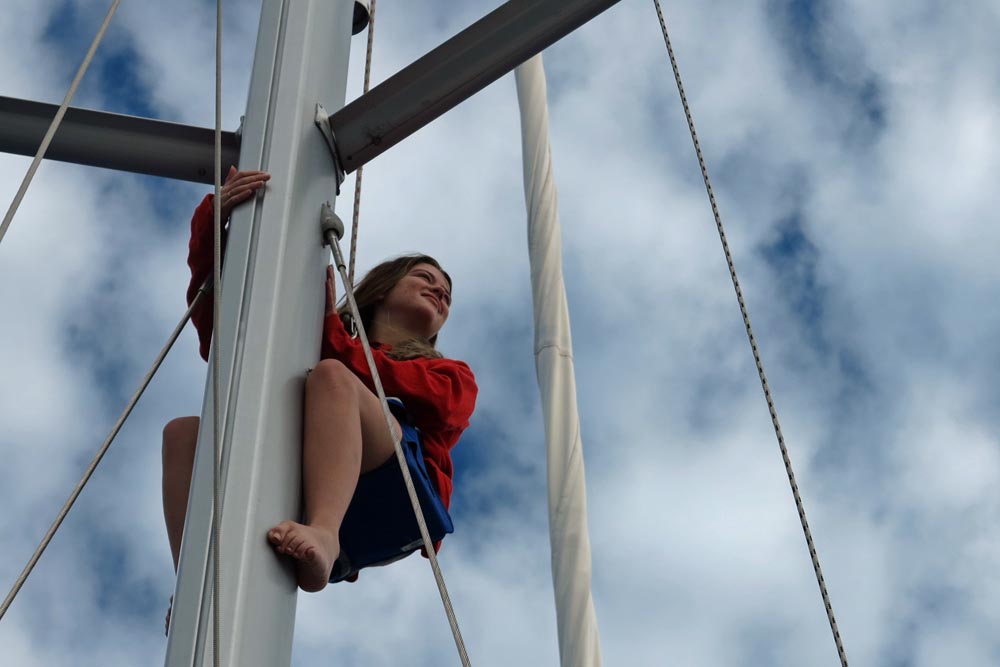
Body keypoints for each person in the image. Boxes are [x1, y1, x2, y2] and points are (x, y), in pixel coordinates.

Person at [161, 168, 478, 610]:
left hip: (387, 497)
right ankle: (193, 583)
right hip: (307, 469)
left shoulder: (448, 373)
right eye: (425, 278)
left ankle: (324, 534)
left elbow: (440, 407)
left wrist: (333, 337)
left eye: (446, 293)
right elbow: (223, 324)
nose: (440, 292)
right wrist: (213, 221)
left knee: (332, 377)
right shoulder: (323, 327)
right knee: (183, 434)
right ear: (384, 288)